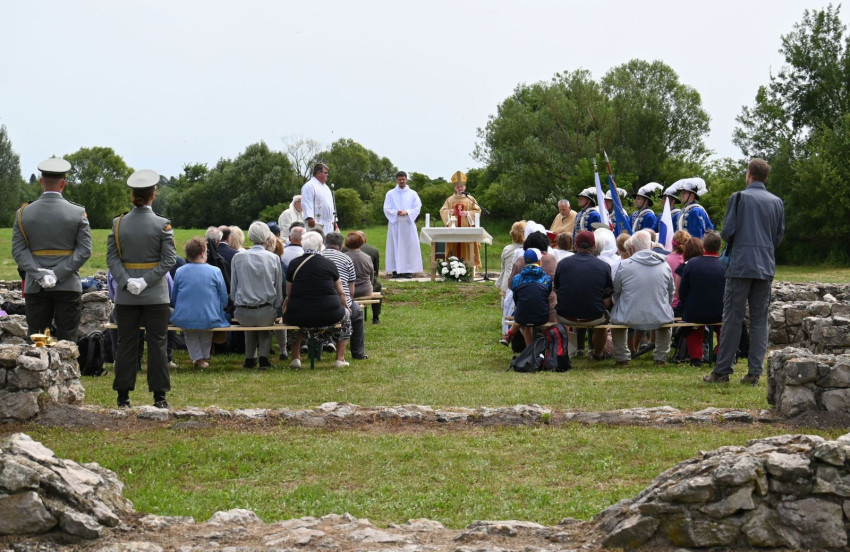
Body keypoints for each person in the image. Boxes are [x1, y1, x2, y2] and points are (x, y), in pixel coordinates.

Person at [704, 158, 785, 385]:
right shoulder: (777, 202)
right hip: (765, 265)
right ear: (765, 177)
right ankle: (754, 373)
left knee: (732, 317)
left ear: (749, 174)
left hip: (740, 265)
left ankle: (722, 371)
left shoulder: (739, 197)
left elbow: (728, 231)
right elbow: (778, 235)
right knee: (760, 320)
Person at [107, 169, 177, 409]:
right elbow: (169, 260)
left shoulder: (118, 224)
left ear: (133, 195)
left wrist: (126, 281)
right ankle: (160, 397)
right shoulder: (162, 224)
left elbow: (112, 259)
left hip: (126, 296)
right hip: (156, 294)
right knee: (157, 344)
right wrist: (146, 281)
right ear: (153, 195)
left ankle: (123, 397)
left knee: (125, 344)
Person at [12, 157, 93, 342]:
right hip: (68, 283)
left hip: (35, 285)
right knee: (68, 340)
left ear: (41, 182)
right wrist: (58, 273)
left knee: (36, 339)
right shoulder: (77, 212)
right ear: (63, 183)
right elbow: (85, 250)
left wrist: (39, 274)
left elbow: (18, 250)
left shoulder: (23, 213)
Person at [284, 231, 350, 369]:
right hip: (329, 313)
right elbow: (341, 292)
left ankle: (295, 357)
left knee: (294, 323)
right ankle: (340, 358)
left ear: (303, 245)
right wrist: (346, 306)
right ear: (320, 246)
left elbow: (289, 293)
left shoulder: (294, 263)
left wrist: (285, 307)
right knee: (346, 318)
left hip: (299, 314)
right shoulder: (329, 264)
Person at [610, 230, 674, 366]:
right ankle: (660, 357)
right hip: (659, 315)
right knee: (666, 322)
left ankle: (622, 357)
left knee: (616, 322)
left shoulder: (624, 265)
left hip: (628, 315)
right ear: (650, 245)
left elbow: (616, 293)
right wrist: (664, 305)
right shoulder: (664, 265)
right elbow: (671, 292)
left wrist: (620, 305)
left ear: (632, 247)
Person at [230, 221, 283, 370]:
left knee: (250, 325)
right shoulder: (273, 258)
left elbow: (233, 289)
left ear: (250, 236)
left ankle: (250, 358)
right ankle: (263, 358)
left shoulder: (238, 258)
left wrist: (239, 301)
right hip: (266, 312)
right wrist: (276, 306)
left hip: (242, 313)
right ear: (267, 237)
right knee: (264, 325)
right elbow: (278, 289)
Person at [170, 237, 229, 368]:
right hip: (209, 315)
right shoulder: (215, 271)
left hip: (185, 316)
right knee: (206, 331)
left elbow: (174, 297)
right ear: (203, 253)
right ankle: (200, 359)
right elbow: (223, 295)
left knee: (190, 333)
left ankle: (198, 358)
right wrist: (222, 307)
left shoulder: (180, 271)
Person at [554, 231, 613, 360]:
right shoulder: (604, 266)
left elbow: (557, 290)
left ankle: (564, 350)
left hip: (565, 315)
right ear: (595, 247)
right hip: (594, 316)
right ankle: (598, 354)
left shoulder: (562, 264)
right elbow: (607, 300)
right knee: (602, 323)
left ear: (575, 245)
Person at [679, 232, 724, 366]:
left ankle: (696, 358)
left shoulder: (692, 264)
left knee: (693, 328)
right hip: (720, 311)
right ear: (720, 247)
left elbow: (682, 290)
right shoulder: (725, 265)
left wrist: (687, 304)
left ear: (703, 246)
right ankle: (720, 353)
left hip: (695, 311)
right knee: (724, 328)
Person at [322, 232, 365, 360]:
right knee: (357, 314)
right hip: (341, 302)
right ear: (341, 246)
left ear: (324, 243)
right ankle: (358, 353)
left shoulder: (318, 256)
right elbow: (351, 291)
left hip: (319, 301)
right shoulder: (346, 259)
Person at [384, 171, 424, 278]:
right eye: (399, 179)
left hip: (408, 223)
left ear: (406, 179)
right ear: (396, 180)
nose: (401, 181)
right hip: (395, 223)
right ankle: (395, 270)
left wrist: (407, 212)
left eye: (403, 179)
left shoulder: (413, 194)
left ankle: (408, 270)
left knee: (408, 247)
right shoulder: (390, 193)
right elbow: (386, 208)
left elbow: (417, 207)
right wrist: (396, 212)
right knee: (394, 246)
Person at [439, 171, 482, 269]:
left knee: (468, 247)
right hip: (453, 231)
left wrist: (468, 213)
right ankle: (452, 268)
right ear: (455, 188)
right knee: (453, 247)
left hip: (467, 230)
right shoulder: (450, 200)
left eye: (461, 186)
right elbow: (442, 211)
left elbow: (478, 210)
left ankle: (469, 268)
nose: (460, 188)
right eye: (458, 187)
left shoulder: (470, 199)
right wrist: (448, 212)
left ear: (465, 187)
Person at [510, 248, 553, 346]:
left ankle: (529, 350)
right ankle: (540, 348)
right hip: (542, 316)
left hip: (521, 317)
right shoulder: (547, 279)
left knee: (525, 322)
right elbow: (546, 295)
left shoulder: (516, 279)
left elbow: (516, 298)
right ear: (539, 261)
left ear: (525, 262)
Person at [496, 221, 526, 333]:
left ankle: (505, 322)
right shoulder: (528, 250)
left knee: (506, 302)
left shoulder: (507, 249)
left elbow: (503, 267)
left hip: (507, 281)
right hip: (522, 282)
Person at [301, 163, 337, 232]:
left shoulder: (326, 188)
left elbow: (330, 205)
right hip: (316, 222)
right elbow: (306, 203)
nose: (327, 175)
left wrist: (334, 220)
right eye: (325, 173)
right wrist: (309, 218)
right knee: (317, 238)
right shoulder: (309, 186)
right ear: (319, 173)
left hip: (328, 223)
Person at [356, 230, 382, 324]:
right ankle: (376, 317)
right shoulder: (373, 250)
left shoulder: (344, 249)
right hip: (367, 285)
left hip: (349, 285)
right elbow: (376, 271)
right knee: (378, 286)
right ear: (365, 240)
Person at [666, 230, 692, 317]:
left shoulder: (666, 260)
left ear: (672, 244)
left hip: (669, 305)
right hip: (686, 305)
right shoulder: (692, 261)